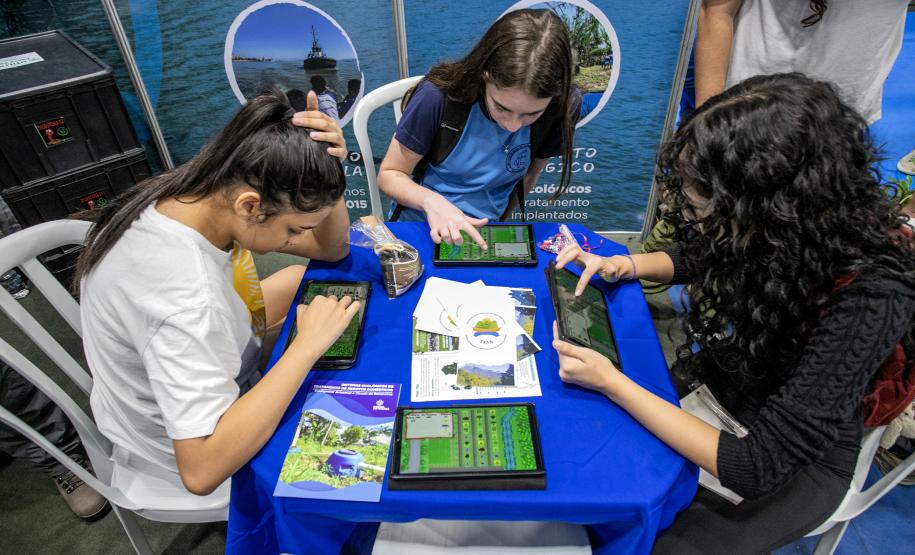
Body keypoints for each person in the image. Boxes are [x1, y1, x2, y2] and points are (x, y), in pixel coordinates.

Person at [552, 73, 915, 553]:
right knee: (581, 458)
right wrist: (627, 264)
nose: (695, 219)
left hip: (800, 456)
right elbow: (709, 252)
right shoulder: (792, 225)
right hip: (732, 379)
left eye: (703, 209)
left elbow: (756, 465)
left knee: (658, 542)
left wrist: (614, 383)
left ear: (767, 204)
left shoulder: (872, 297)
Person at [74, 89, 360, 502]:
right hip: (183, 449)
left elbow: (331, 249)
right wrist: (306, 348)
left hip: (195, 359)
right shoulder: (188, 300)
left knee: (300, 277)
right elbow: (201, 470)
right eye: (294, 229)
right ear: (250, 207)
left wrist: (325, 167)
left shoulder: (198, 190)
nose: (297, 239)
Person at [377, 8, 580, 250]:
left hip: (488, 234)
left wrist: (499, 227)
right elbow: (390, 174)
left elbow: (528, 176)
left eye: (532, 114)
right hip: (419, 227)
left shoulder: (563, 107)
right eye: (501, 107)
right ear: (485, 74)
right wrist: (432, 202)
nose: (513, 125)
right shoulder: (436, 97)